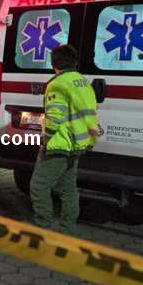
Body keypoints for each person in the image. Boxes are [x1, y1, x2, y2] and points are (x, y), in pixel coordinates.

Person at [30, 44, 99, 234]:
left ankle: (44, 227)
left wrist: (47, 141)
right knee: (68, 188)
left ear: (54, 64)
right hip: (78, 143)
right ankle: (68, 227)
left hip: (59, 143)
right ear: (74, 62)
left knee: (38, 186)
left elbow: (54, 118)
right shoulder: (83, 82)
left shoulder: (58, 84)